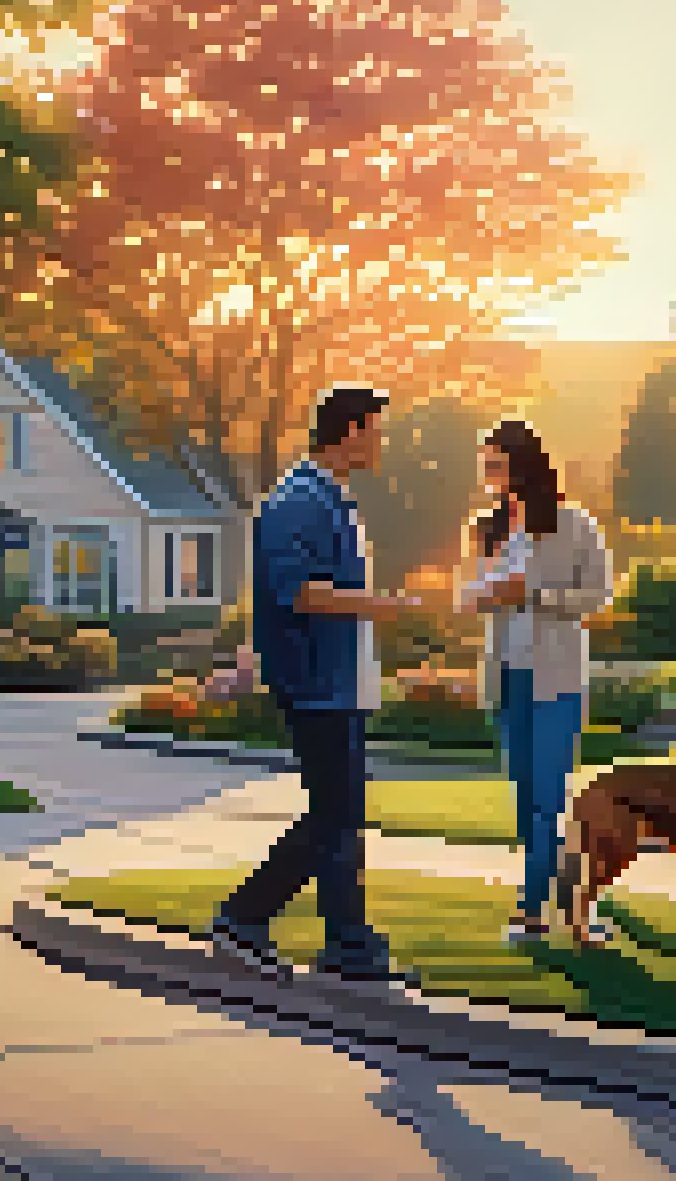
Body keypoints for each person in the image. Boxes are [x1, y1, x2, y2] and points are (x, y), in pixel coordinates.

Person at [208, 388, 423, 984]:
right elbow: (300, 591)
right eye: (375, 430)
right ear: (348, 430)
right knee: (338, 811)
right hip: (315, 683)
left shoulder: (332, 499)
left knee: (339, 812)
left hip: (340, 682)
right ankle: (266, 920)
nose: (380, 442)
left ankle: (332, 937)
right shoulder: (298, 501)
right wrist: (384, 606)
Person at [459, 420, 616, 943]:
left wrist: (535, 593)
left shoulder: (573, 524)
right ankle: (570, 899)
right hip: (507, 680)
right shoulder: (488, 528)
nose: (489, 476)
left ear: (523, 465)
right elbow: (467, 597)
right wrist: (480, 597)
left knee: (549, 796)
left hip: (556, 680)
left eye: (497, 465)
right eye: (486, 466)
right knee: (526, 798)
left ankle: (531, 911)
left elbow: (598, 594)